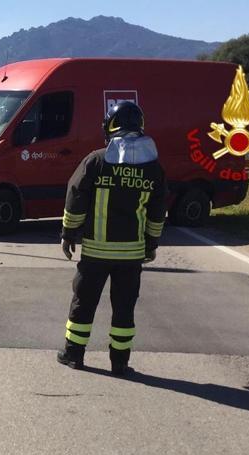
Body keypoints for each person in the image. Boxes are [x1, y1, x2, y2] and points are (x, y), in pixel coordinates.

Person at [57, 101, 167, 375]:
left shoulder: (95, 160)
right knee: (124, 310)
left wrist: (68, 234)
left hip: (96, 253)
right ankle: (120, 363)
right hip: (131, 256)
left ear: (109, 127)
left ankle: (74, 355)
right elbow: (157, 210)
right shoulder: (153, 167)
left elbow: (76, 196)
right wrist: (152, 243)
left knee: (84, 302)